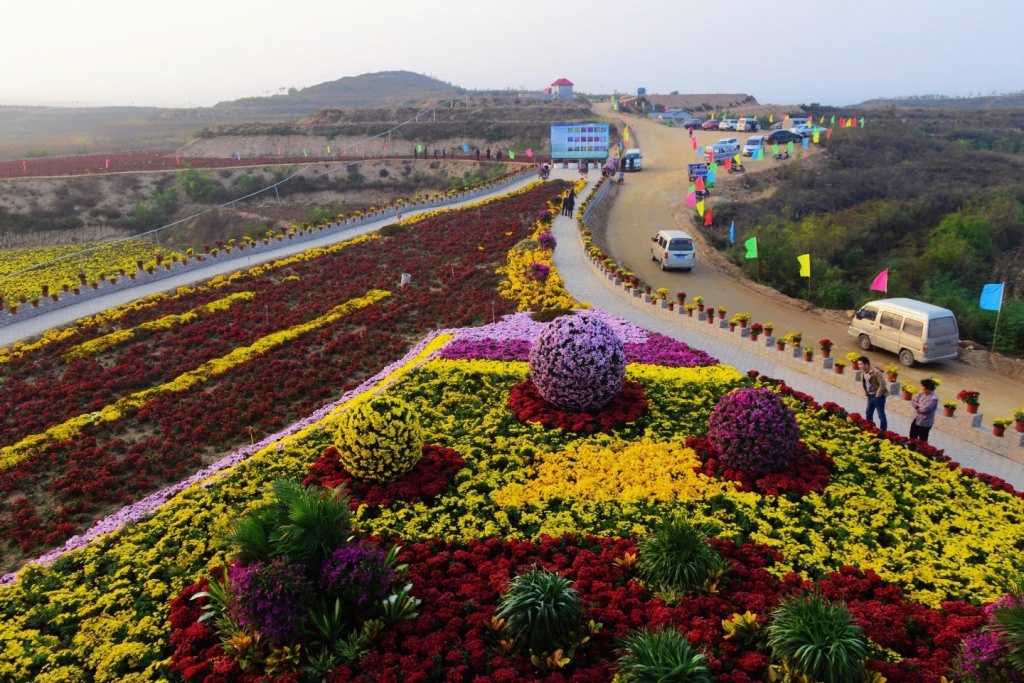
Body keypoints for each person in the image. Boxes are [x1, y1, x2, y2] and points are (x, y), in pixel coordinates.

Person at [858, 356, 889, 433]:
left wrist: (878, 395)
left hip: (879, 396)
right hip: (870, 396)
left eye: (861, 364)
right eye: (858, 364)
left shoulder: (876, 372)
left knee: (881, 415)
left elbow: (883, 384)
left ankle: (883, 431)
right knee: (868, 412)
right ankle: (869, 427)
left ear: (867, 364)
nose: (859, 366)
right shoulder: (863, 373)